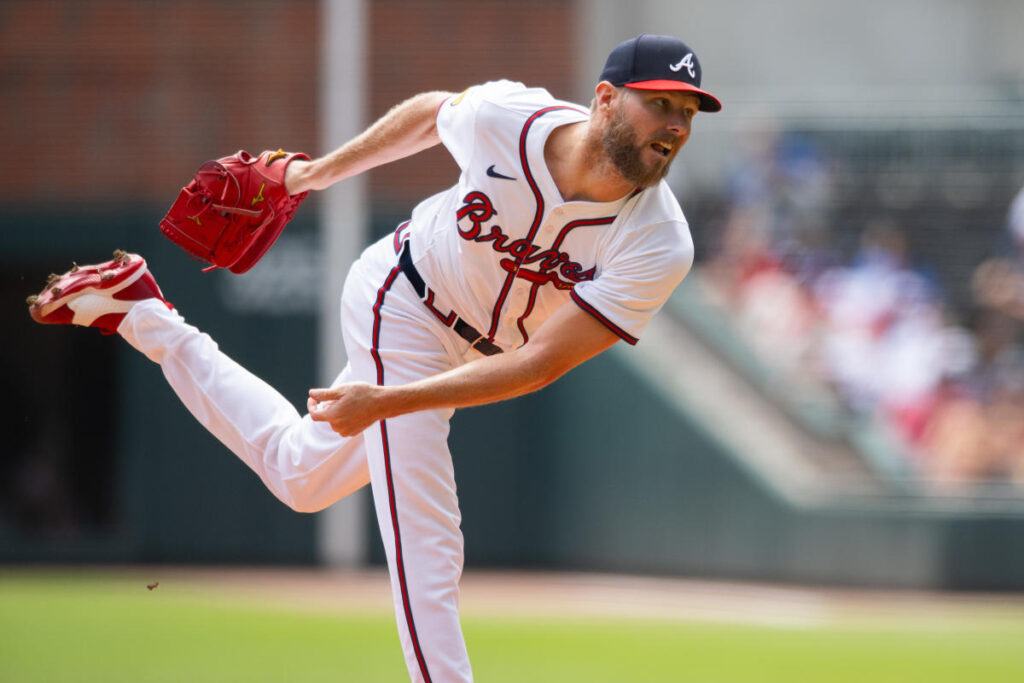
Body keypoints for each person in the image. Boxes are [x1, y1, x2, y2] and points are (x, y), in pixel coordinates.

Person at [28, 34, 720, 683]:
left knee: (298, 473)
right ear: (605, 98)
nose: (675, 125)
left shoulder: (658, 242)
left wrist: (385, 403)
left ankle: (141, 311)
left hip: (468, 356)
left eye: (687, 112)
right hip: (402, 297)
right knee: (427, 534)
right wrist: (313, 174)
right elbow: (428, 117)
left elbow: (540, 363)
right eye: (658, 102)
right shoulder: (512, 118)